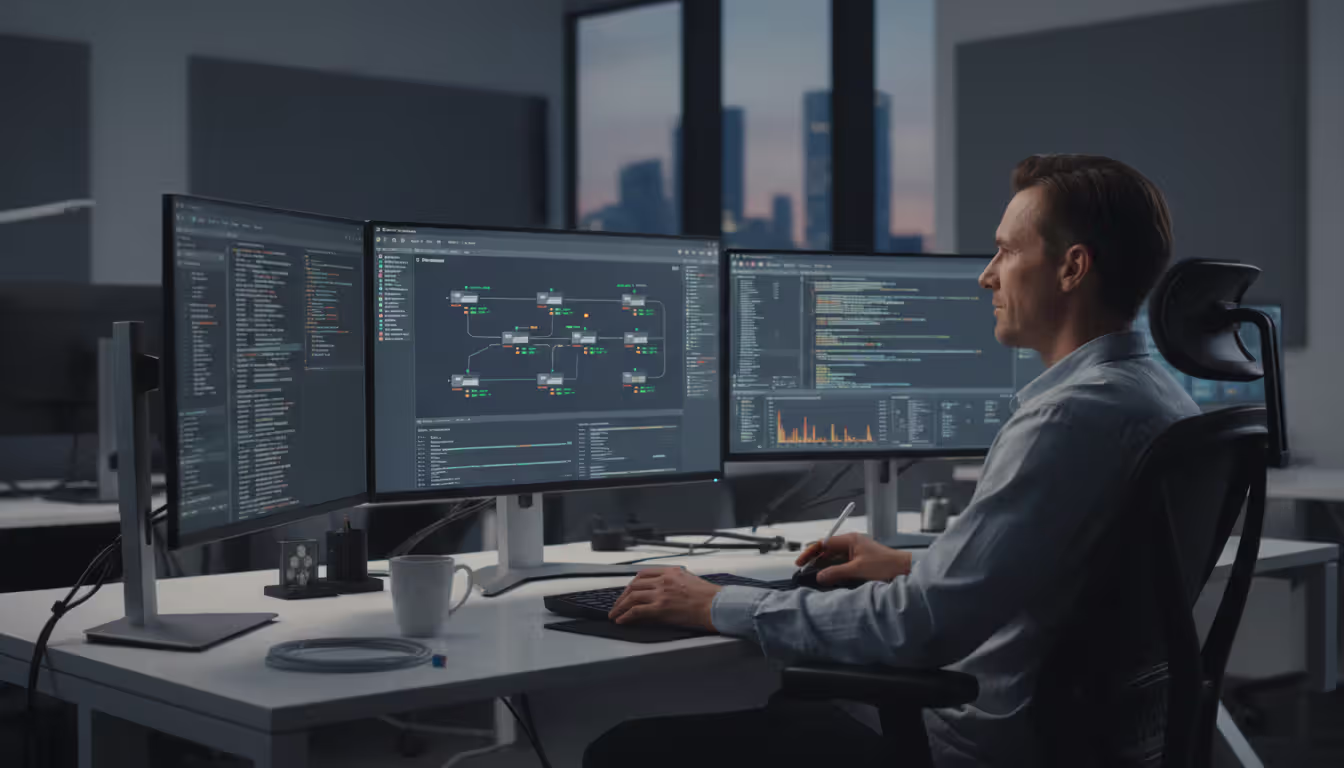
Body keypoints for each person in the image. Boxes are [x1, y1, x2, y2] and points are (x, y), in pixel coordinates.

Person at [583, 154, 1200, 768]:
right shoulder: (1159, 396)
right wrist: (910, 563)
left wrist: (714, 603)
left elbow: (919, 626)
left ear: (1072, 267)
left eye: (1007, 252)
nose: (988, 277)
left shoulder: (1066, 418)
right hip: (1093, 735)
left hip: (967, 741)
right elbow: (1081, 574)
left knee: (621, 752)